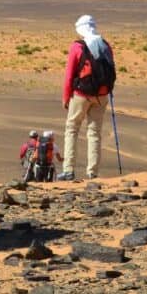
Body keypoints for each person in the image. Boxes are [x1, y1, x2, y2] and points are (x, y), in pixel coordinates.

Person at [57, 15, 116, 181]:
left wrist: (66, 96)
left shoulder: (77, 46)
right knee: (95, 133)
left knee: (72, 129)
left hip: (81, 94)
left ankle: (68, 170)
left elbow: (69, 74)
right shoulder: (105, 45)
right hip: (102, 95)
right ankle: (93, 172)